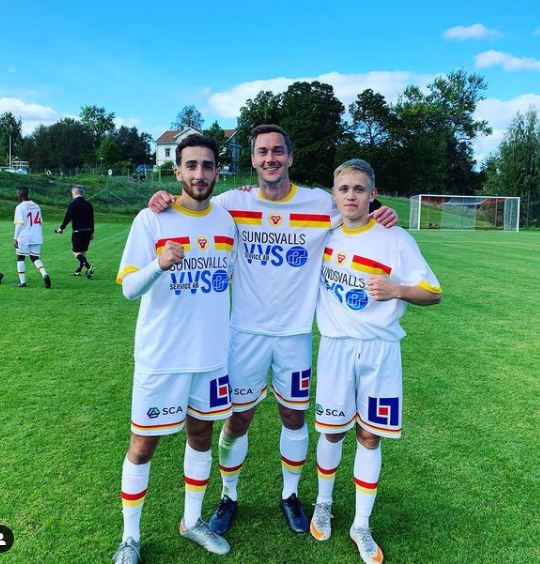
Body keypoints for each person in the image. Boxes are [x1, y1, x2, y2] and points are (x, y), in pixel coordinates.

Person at [148, 124, 398, 536]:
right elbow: (193, 200)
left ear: (290, 157)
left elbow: (357, 206)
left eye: (278, 151)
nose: (270, 158)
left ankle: (290, 494)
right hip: (244, 334)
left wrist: (382, 208)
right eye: (262, 152)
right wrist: (165, 198)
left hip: (294, 335)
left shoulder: (318, 202)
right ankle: (229, 495)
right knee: (237, 420)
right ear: (252, 159)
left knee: (294, 418)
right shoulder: (232, 202)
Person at [309, 159, 442, 563]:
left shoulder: (395, 239)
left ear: (373, 194)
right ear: (334, 194)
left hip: (380, 351)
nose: (351, 196)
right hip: (335, 347)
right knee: (332, 432)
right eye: (344, 188)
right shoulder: (324, 232)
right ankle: (323, 503)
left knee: (369, 436)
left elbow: (433, 293)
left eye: (359, 189)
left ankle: (361, 525)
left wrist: (397, 289)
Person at [113, 134, 236, 563]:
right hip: (162, 356)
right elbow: (129, 288)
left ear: (217, 171)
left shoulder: (227, 221)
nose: (200, 174)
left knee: (200, 435)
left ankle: (192, 521)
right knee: (143, 444)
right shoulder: (151, 219)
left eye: (208, 165)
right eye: (192, 165)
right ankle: (130, 537)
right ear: (177, 170)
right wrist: (158, 264)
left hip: (211, 357)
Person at [13, 187, 51, 289]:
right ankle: (44, 274)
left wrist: (15, 238)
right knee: (35, 257)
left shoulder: (20, 207)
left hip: (24, 236)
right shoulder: (36, 206)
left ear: (19, 194)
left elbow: (19, 224)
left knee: (20, 257)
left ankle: (22, 282)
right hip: (36, 236)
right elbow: (40, 221)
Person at [55, 185, 95, 278]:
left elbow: (68, 217)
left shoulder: (74, 203)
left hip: (78, 231)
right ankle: (79, 271)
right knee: (83, 252)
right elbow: (92, 219)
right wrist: (92, 232)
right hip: (88, 231)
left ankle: (89, 267)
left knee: (76, 252)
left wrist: (61, 228)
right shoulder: (89, 204)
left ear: (74, 193)